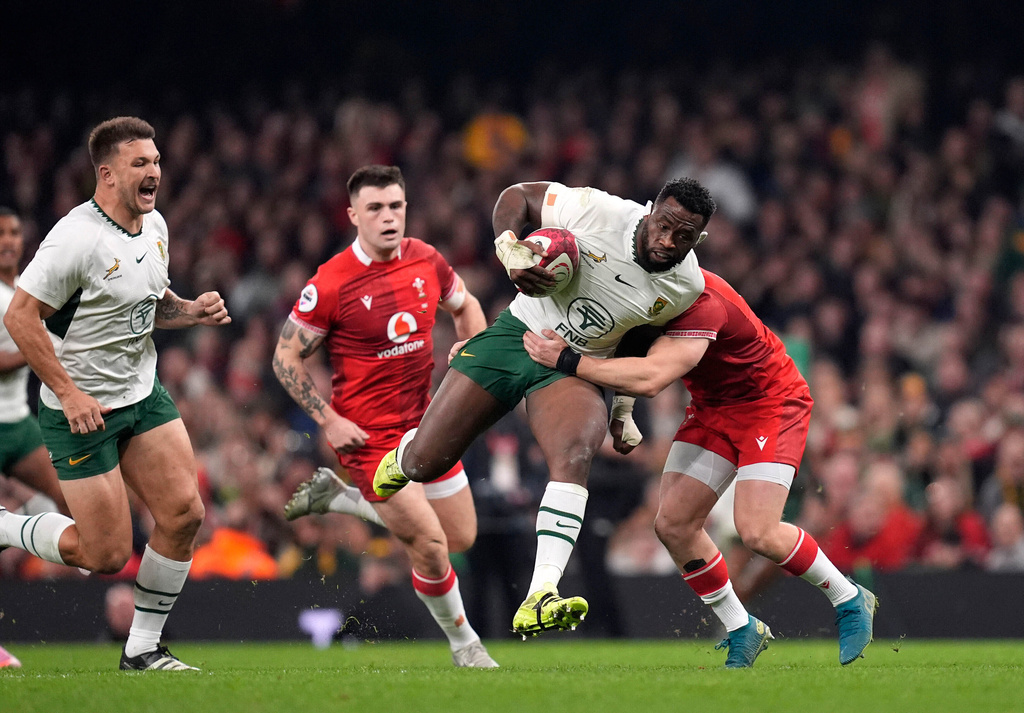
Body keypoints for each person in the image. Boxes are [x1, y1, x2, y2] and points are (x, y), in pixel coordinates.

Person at [372, 178, 714, 636]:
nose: (668, 241)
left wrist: (621, 411)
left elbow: (637, 336)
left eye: (685, 236)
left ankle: (541, 593)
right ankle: (408, 452)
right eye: (665, 225)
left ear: (700, 239)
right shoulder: (598, 211)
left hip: (572, 369)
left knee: (575, 455)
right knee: (423, 464)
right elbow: (518, 196)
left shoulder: (686, 285)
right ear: (650, 210)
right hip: (519, 335)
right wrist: (508, 247)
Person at [522, 267, 878, 668]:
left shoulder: (703, 303)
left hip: (769, 403)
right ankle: (741, 627)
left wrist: (568, 360)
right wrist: (621, 411)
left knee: (758, 531)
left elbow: (652, 375)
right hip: (713, 409)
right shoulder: (641, 289)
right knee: (673, 524)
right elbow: (629, 347)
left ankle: (849, 599)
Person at [0, 117, 231, 671]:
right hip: (80, 411)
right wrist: (69, 392)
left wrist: (190, 311)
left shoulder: (156, 228)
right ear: (106, 174)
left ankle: (143, 649)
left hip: (141, 395)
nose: (154, 172)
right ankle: (5, 525)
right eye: (140, 164)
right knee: (104, 553)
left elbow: (148, 305)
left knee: (182, 513)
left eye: (156, 162)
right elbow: (21, 316)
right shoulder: (75, 238)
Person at [272, 165, 497, 668]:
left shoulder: (427, 260)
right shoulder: (331, 283)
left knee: (461, 536)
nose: (388, 216)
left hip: (430, 426)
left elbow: (467, 306)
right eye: (375, 208)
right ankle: (467, 647)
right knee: (432, 545)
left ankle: (344, 500)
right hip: (368, 439)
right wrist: (328, 420)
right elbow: (285, 358)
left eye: (395, 206)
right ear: (353, 215)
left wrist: (471, 354)